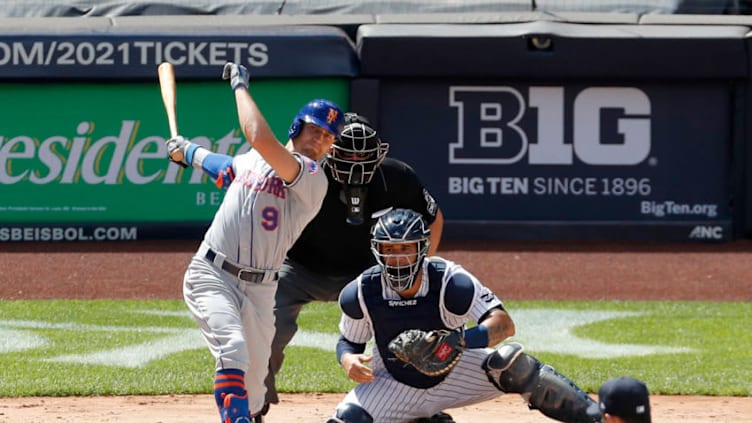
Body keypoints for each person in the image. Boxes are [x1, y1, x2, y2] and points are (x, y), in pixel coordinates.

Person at [166, 61, 344, 423]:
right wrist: (185, 151)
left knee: (255, 392)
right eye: (315, 130)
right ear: (297, 126)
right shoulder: (251, 162)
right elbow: (223, 165)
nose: (320, 140)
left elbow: (257, 135)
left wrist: (239, 86)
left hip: (262, 291)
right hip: (212, 275)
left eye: (328, 137)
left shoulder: (313, 178)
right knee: (231, 349)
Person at [328, 208, 603, 423]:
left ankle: (597, 418)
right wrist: (348, 359)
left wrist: (455, 342)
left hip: (455, 372)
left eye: (405, 248)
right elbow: (349, 342)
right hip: (392, 382)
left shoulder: (451, 282)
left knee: (513, 366)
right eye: (389, 250)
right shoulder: (362, 291)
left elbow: (503, 325)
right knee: (348, 419)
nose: (397, 258)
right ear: (378, 251)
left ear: (421, 248)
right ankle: (419, 419)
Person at [265, 113, 445, 415]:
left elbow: (433, 218)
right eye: (348, 152)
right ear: (330, 151)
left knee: (414, 324)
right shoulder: (304, 173)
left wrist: (419, 272)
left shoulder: (397, 177)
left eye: (364, 154)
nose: (356, 161)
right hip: (299, 267)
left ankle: (419, 406)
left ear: (379, 153)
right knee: (265, 322)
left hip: (370, 273)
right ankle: (256, 402)